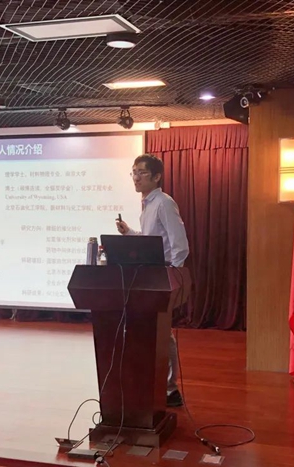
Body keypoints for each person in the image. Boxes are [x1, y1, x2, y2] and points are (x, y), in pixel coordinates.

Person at [115, 154, 189, 407]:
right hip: (149, 275)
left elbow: (179, 244)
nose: (136, 177)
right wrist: (129, 233)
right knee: (154, 331)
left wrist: (173, 276)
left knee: (163, 332)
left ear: (156, 177)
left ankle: (170, 390)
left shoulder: (164, 203)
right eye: (134, 172)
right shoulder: (147, 204)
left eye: (142, 172)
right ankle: (157, 384)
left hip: (162, 275)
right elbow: (151, 241)